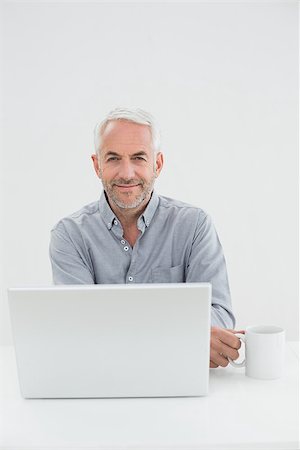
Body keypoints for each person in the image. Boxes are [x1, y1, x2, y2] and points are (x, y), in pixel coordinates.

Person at [49, 107, 243, 368]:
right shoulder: (70, 235)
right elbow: (77, 327)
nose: (126, 173)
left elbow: (219, 316)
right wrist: (184, 335)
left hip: (181, 381)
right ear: (97, 165)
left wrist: (117, 333)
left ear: (157, 164)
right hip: (102, 381)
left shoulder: (194, 225)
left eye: (139, 158)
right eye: (113, 158)